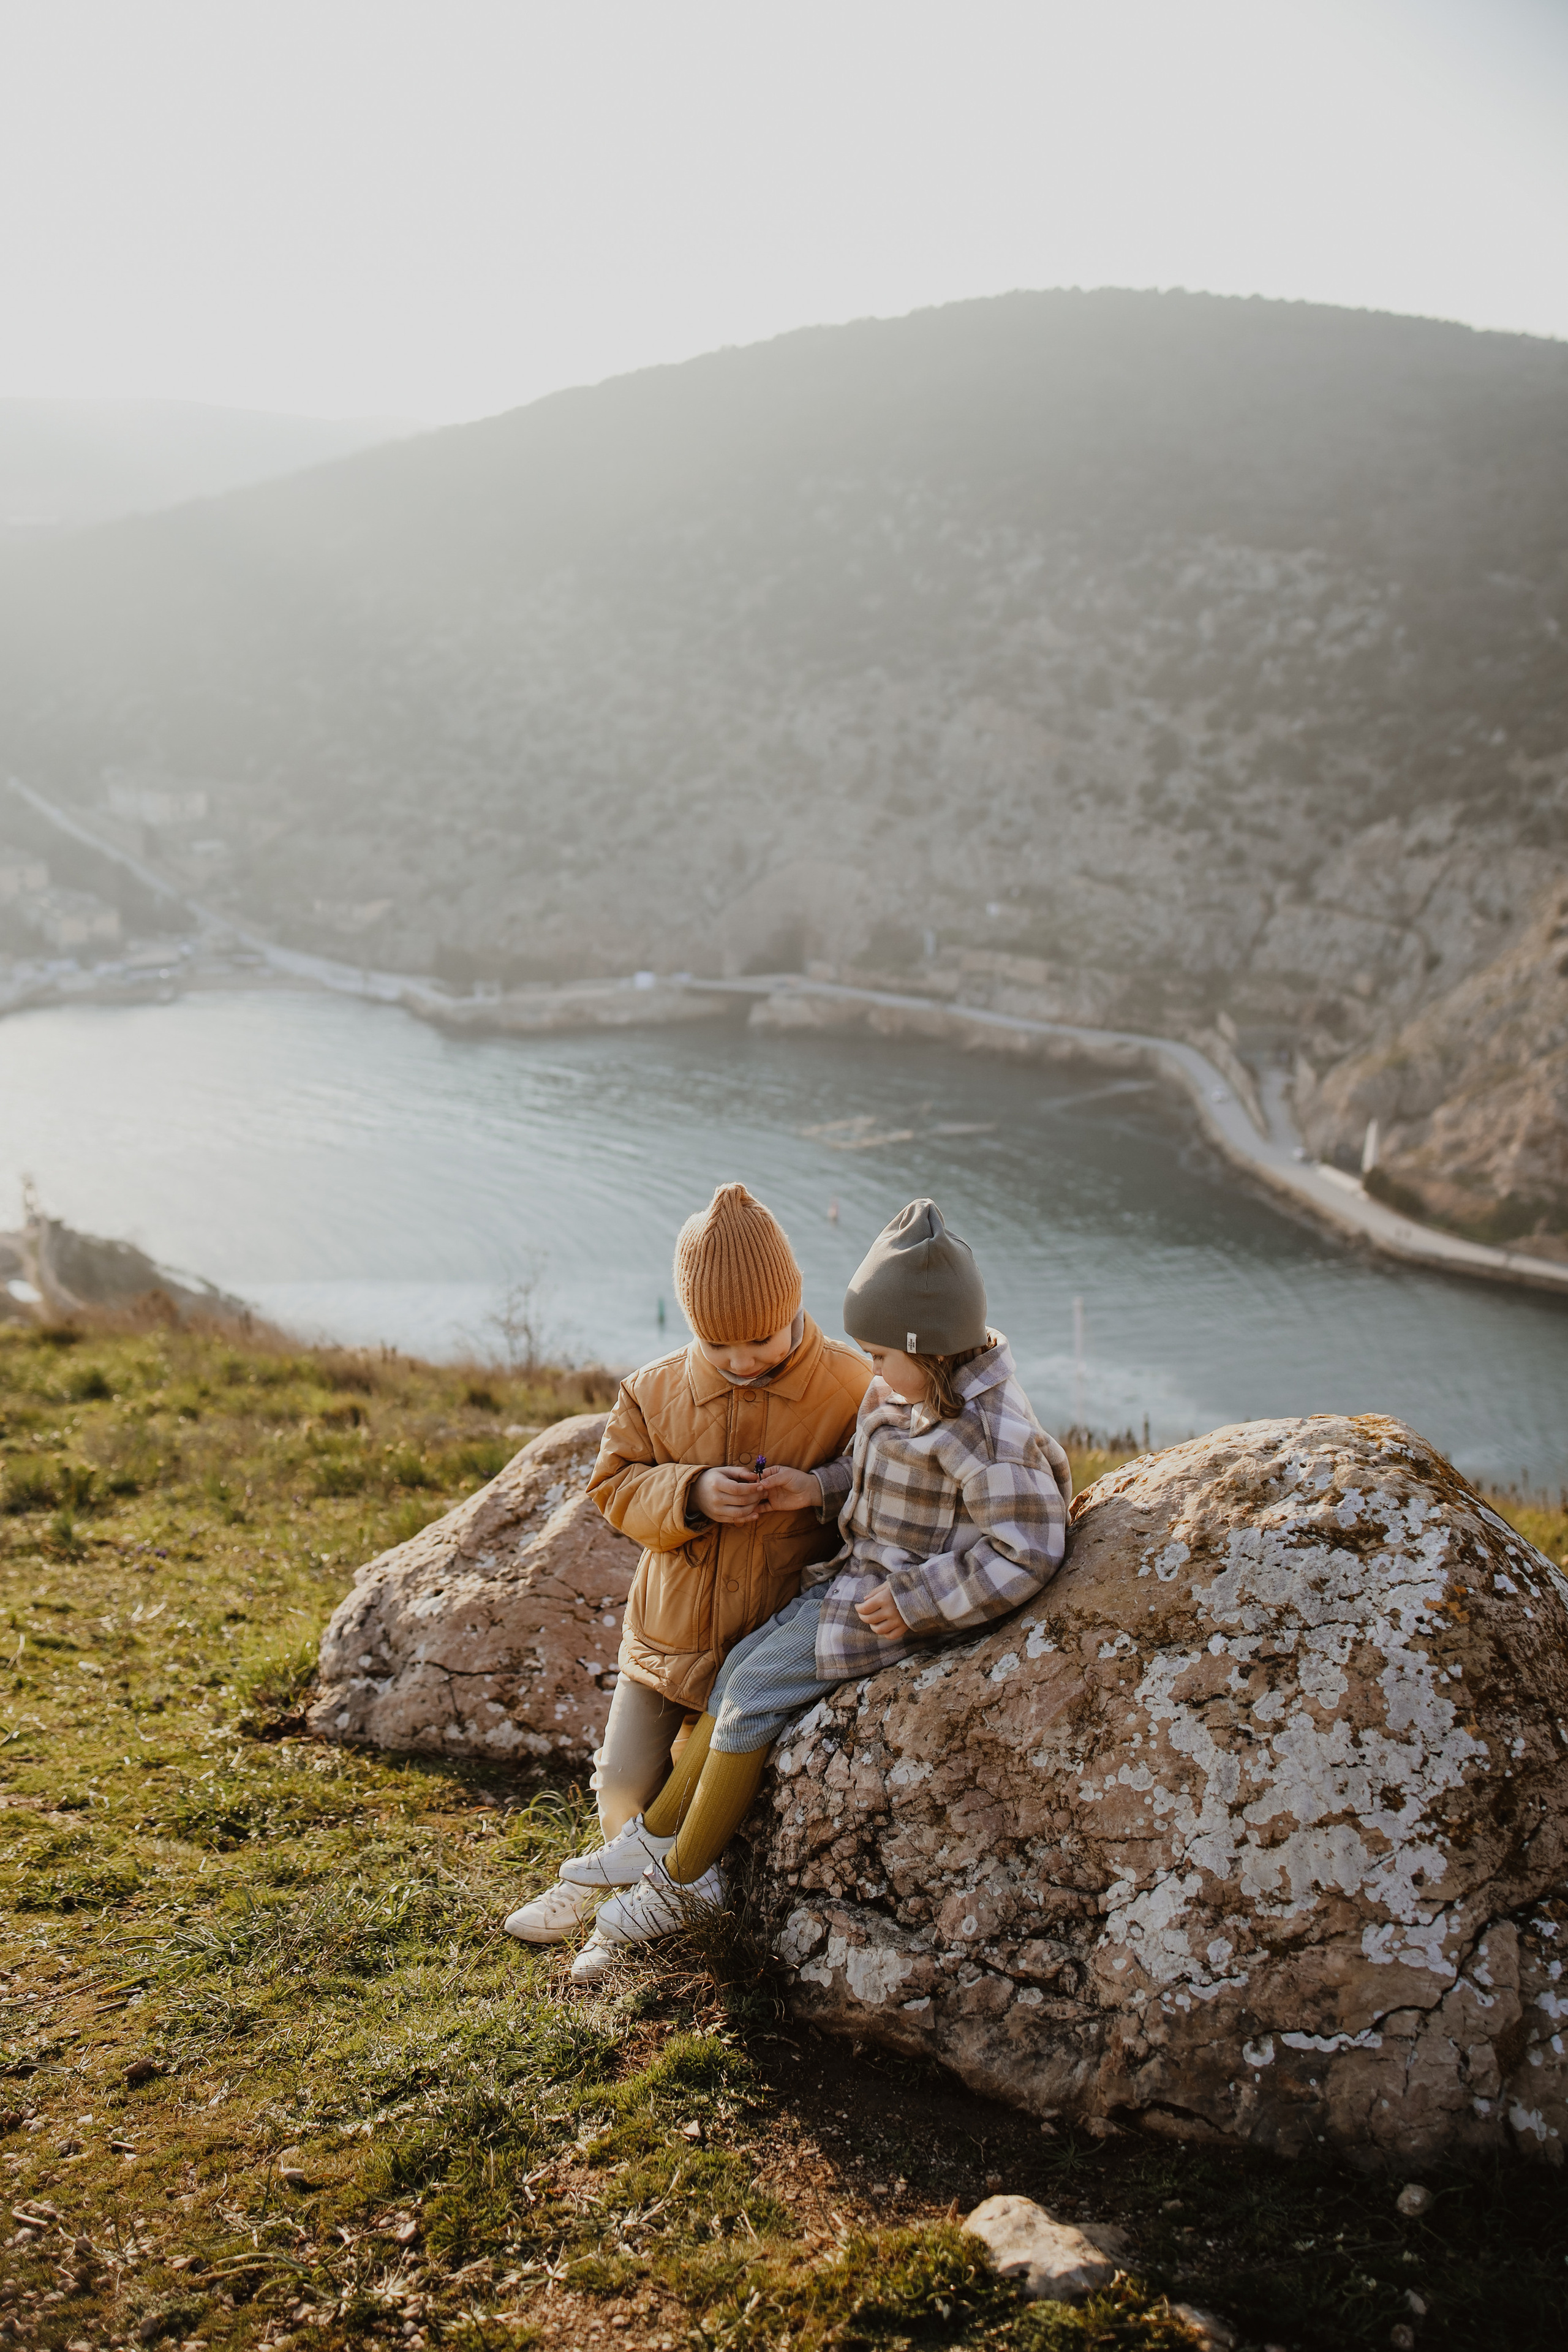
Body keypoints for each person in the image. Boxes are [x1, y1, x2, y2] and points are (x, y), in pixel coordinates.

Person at [552, 1197, 1072, 1983]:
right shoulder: (903, 1386)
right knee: (733, 1678)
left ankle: (687, 1883)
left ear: (923, 1347)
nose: (866, 1368)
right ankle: (660, 1837)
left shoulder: (984, 1431)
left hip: (886, 1603)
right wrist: (813, 1490)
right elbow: (864, 1474)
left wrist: (917, 1602)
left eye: (876, 1354)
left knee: (753, 1688)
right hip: (848, 1579)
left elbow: (1028, 1546)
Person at [503, 1182, 870, 1944]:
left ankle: (657, 1906)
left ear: (795, 1305)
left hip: (767, 1635)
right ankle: (620, 1887)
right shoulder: (653, 1389)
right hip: (668, 1636)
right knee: (623, 1786)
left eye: (762, 1342)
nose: (741, 1360)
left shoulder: (850, 1383)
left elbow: (876, 1485)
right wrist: (691, 1490)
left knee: (722, 1773)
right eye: (719, 1346)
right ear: (693, 1329)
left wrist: (815, 1495)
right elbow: (612, 1486)